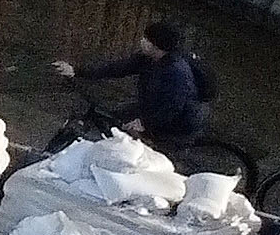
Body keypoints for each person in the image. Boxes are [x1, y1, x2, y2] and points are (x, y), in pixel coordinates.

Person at [56, 17, 216, 157]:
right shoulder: (149, 58)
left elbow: (173, 107)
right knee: (116, 117)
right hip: (156, 107)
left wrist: (145, 123)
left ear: (156, 46)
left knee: (141, 141)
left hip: (180, 121)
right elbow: (117, 68)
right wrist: (77, 71)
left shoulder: (176, 73)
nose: (141, 40)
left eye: (146, 38)